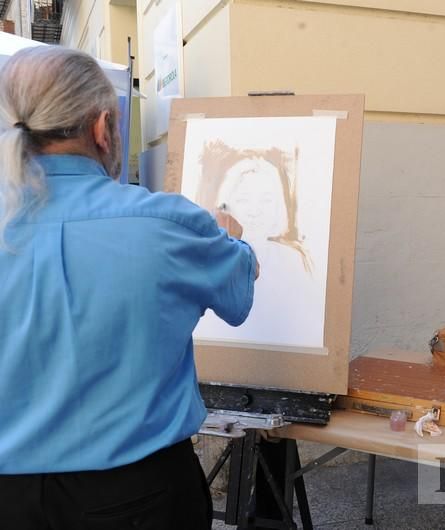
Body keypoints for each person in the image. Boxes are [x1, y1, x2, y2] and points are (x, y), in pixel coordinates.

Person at [0, 46, 258, 529]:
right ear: (103, 128)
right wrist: (229, 236)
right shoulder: (168, 223)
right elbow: (239, 290)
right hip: (136, 498)